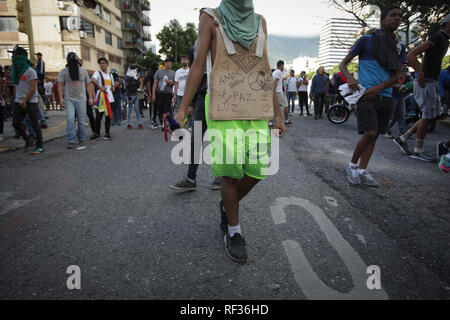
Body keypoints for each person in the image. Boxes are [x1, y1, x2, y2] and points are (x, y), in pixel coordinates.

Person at [173, 1, 286, 263]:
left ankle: (227, 204)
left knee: (258, 170)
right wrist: (182, 109)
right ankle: (233, 231)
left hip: (255, 106)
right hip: (223, 106)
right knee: (229, 172)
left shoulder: (260, 21)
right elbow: (198, 65)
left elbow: (264, 69)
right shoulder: (210, 17)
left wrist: (278, 114)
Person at [340, 6, 405, 187]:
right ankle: (352, 166)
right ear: (382, 20)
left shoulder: (400, 46)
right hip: (365, 96)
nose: (397, 19)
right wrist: (351, 78)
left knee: (374, 136)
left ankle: (363, 170)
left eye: (400, 16)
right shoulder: (366, 41)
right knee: (370, 132)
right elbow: (343, 64)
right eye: (393, 15)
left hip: (386, 96)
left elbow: (398, 75)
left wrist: (380, 87)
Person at [394, 14, 450, 162]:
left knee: (430, 116)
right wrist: (421, 73)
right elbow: (411, 54)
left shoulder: (444, 39)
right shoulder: (438, 37)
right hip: (426, 82)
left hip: (432, 82)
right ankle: (418, 150)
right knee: (427, 117)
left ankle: (404, 138)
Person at [170, 40, 221, 192]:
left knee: (218, 138)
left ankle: (220, 176)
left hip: (220, 98)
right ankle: (190, 178)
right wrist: (189, 104)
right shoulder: (197, 44)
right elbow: (194, 74)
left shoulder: (223, 37)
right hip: (201, 98)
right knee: (195, 138)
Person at [10, 46, 44, 154]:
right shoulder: (15, 71)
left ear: (21, 57)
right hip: (19, 101)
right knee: (16, 123)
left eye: (15, 55)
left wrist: (25, 100)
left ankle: (40, 145)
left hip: (30, 101)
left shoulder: (30, 71)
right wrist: (17, 99)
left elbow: (33, 89)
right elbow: (16, 86)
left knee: (35, 124)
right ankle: (28, 140)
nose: (13, 58)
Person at [58, 52, 95, 149]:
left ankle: (81, 137)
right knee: (70, 119)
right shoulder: (63, 72)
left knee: (82, 120)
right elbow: (60, 84)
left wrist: (91, 97)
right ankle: (71, 140)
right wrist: (61, 98)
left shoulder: (83, 72)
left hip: (82, 99)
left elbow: (89, 84)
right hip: (69, 99)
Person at [91, 57, 115, 140]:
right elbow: (93, 80)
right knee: (99, 116)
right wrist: (100, 87)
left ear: (107, 65)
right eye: (100, 63)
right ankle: (97, 133)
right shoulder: (97, 73)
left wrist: (113, 88)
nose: (102, 64)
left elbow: (112, 85)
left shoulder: (110, 75)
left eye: (104, 63)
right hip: (101, 99)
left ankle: (107, 133)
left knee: (108, 117)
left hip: (110, 99)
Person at [153, 58, 175, 130]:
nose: (171, 64)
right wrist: (153, 94)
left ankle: (165, 124)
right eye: (169, 62)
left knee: (166, 109)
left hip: (168, 93)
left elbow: (175, 83)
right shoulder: (159, 72)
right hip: (159, 93)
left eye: (171, 63)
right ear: (165, 63)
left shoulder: (173, 73)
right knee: (160, 109)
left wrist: (169, 82)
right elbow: (155, 84)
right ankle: (162, 122)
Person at [273, 60, 293, 126]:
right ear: (281, 65)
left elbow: (277, 81)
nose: (283, 67)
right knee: (285, 105)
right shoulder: (279, 72)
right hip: (278, 92)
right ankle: (286, 121)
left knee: (274, 107)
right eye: (283, 66)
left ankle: (270, 123)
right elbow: (275, 82)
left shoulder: (274, 72)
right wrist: (274, 92)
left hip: (275, 92)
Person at [125, 66, 143, 130]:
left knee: (137, 109)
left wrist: (139, 81)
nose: (136, 72)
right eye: (135, 70)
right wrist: (129, 98)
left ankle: (139, 123)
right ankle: (128, 124)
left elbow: (137, 86)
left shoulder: (135, 78)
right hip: (130, 95)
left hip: (135, 95)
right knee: (129, 110)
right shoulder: (128, 78)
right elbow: (127, 88)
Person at [146, 62, 160, 129]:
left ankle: (154, 121)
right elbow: (148, 84)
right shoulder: (150, 73)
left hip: (157, 93)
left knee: (156, 108)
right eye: (157, 66)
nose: (158, 67)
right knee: (152, 108)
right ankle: (152, 122)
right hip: (152, 93)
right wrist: (150, 94)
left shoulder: (157, 73)